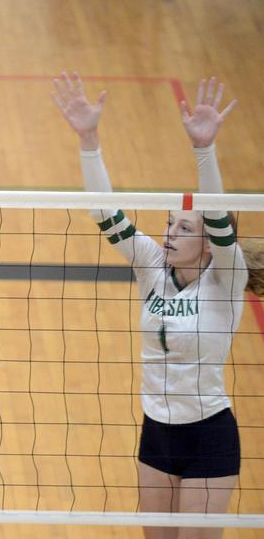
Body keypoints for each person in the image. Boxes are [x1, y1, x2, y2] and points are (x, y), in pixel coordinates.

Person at [53, 72, 264, 539]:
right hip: (157, 434)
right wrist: (89, 139)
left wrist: (203, 149)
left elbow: (215, 213)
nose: (169, 234)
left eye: (184, 229)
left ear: (209, 245)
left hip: (208, 434)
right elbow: (104, 213)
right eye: (169, 224)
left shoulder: (225, 279)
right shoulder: (151, 265)